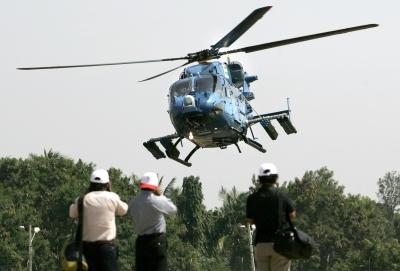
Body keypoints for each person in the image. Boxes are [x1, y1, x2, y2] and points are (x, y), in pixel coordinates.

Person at [69, 169, 128, 271]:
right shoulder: (112, 197)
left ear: (91, 183)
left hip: (88, 250)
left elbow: (72, 214)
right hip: (107, 248)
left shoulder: (82, 199)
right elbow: (124, 210)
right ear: (107, 184)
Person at [246, 163, 296, 271]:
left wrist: (260, 221)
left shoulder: (252, 198)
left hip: (261, 244)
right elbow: (292, 215)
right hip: (279, 244)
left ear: (260, 179)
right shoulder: (282, 196)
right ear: (275, 178)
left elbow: (250, 220)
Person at [128, 172, 177, 271]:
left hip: (141, 243)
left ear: (141, 185)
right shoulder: (156, 200)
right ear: (155, 186)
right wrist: (159, 194)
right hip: (156, 242)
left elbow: (128, 212)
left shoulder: (134, 202)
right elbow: (172, 209)